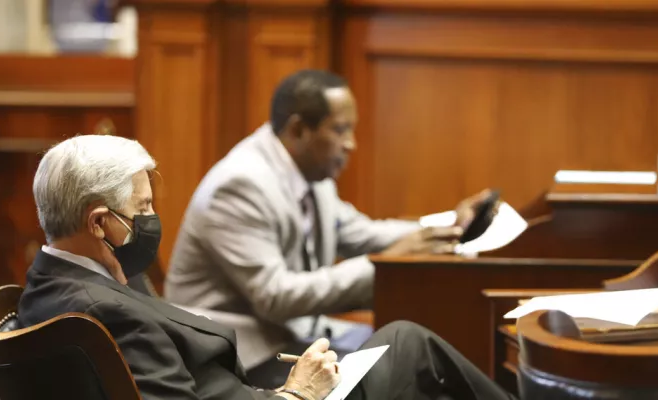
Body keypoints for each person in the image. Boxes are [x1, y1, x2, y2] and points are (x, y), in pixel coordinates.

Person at [18, 134, 514, 400]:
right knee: (409, 343)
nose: (152, 220)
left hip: (257, 390)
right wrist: (298, 393)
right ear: (100, 223)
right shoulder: (100, 312)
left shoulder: (55, 280)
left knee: (405, 351)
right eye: (142, 209)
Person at [165, 69, 493, 370]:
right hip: (236, 354)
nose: (351, 144)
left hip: (291, 334)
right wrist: (386, 263)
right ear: (298, 129)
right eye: (339, 130)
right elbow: (275, 296)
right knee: (400, 364)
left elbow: (362, 233)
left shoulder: (309, 173)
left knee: (415, 346)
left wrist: (450, 226)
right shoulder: (240, 185)